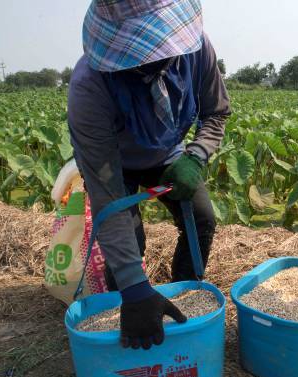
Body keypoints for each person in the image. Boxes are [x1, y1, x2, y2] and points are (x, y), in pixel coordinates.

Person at [68, 0, 230, 350]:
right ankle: (126, 303)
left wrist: (197, 154)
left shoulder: (197, 51)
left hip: (170, 154)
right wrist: (135, 287)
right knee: (129, 241)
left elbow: (216, 113)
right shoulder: (90, 88)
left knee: (201, 218)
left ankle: (186, 294)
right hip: (117, 164)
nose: (152, 57)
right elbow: (106, 194)